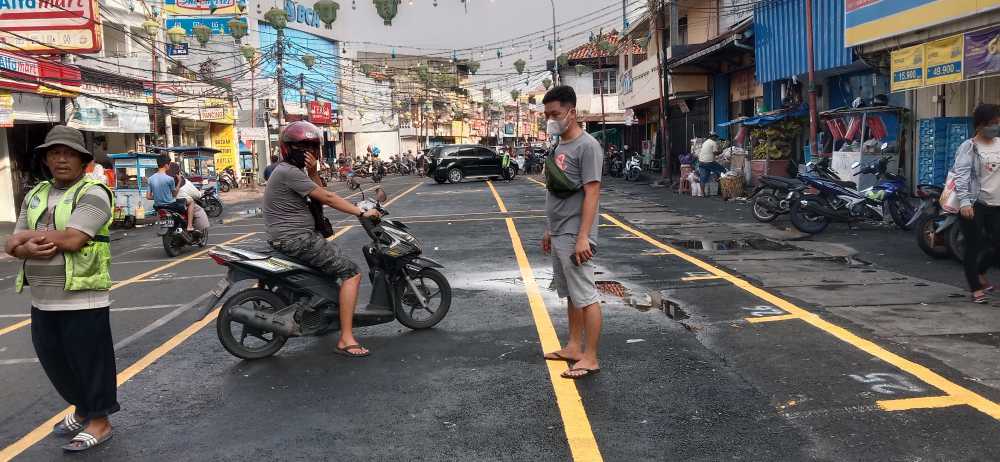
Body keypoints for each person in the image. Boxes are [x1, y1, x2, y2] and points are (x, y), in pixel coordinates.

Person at [4, 125, 118, 453]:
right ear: (46, 159)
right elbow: (13, 239)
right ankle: (82, 408)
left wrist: (24, 240)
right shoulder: (36, 194)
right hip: (42, 300)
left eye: (69, 153)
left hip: (83, 297)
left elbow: (72, 238)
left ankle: (99, 420)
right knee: (55, 363)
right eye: (55, 153)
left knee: (90, 362)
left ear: (83, 160)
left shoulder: (94, 192)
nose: (61, 159)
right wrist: (22, 247)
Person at [264, 121, 382, 357]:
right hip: (297, 239)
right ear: (288, 149)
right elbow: (327, 197)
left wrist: (314, 172)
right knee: (351, 273)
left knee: (331, 271)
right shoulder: (288, 172)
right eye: (301, 147)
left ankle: (322, 316)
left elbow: (316, 194)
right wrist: (361, 211)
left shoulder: (293, 172)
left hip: (293, 237)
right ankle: (346, 339)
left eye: (310, 147)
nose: (306, 152)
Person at [539, 85, 604, 380]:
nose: (551, 119)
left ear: (572, 112)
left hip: (576, 234)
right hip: (560, 232)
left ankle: (590, 357)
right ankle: (574, 346)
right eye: (547, 115)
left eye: (555, 114)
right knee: (571, 295)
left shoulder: (587, 146)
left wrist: (583, 237)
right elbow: (554, 193)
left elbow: (592, 194)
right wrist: (549, 229)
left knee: (586, 296)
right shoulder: (558, 146)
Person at [953, 103, 1000, 303]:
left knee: (997, 245)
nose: (995, 127)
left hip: (997, 203)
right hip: (975, 203)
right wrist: (964, 202)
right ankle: (975, 288)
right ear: (980, 125)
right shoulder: (969, 147)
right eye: (991, 123)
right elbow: (961, 176)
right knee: (974, 245)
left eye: (998, 123)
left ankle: (981, 273)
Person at [147, 154, 194, 231]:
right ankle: (189, 226)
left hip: (158, 206)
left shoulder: (150, 179)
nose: (169, 166)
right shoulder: (169, 179)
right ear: (166, 165)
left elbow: (148, 197)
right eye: (169, 164)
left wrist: (158, 196)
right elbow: (174, 194)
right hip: (171, 205)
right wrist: (179, 181)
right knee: (191, 201)